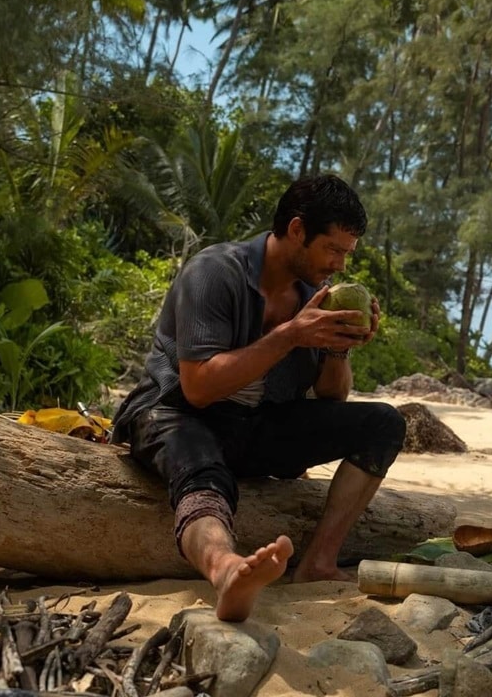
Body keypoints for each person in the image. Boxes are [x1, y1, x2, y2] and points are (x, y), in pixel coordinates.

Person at [111, 174, 407, 621]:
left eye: (347, 253)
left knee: (384, 424)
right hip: (176, 414)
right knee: (203, 470)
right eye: (333, 249)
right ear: (297, 230)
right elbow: (199, 387)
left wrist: (338, 346)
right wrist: (289, 335)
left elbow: (331, 396)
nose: (341, 265)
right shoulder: (214, 272)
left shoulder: (314, 298)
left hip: (253, 425)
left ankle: (318, 562)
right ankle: (226, 569)